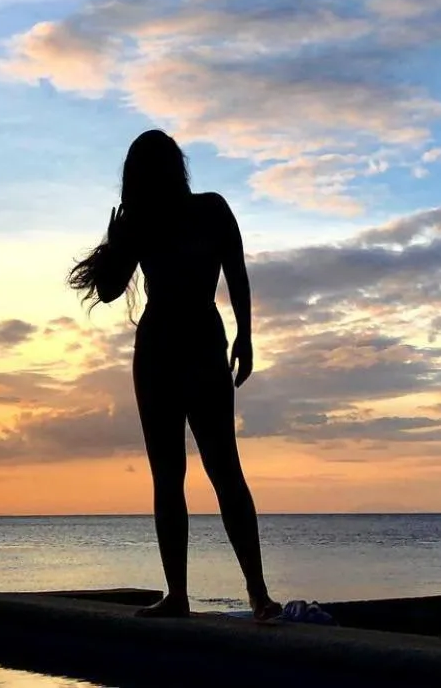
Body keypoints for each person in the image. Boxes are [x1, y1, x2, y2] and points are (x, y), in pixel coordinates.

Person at [69, 129, 281, 621]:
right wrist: (119, 242)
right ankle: (181, 596)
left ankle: (257, 593)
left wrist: (246, 337)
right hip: (161, 350)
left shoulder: (211, 209)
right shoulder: (141, 222)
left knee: (223, 469)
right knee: (171, 477)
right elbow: (106, 290)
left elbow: (238, 273)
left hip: (201, 345)